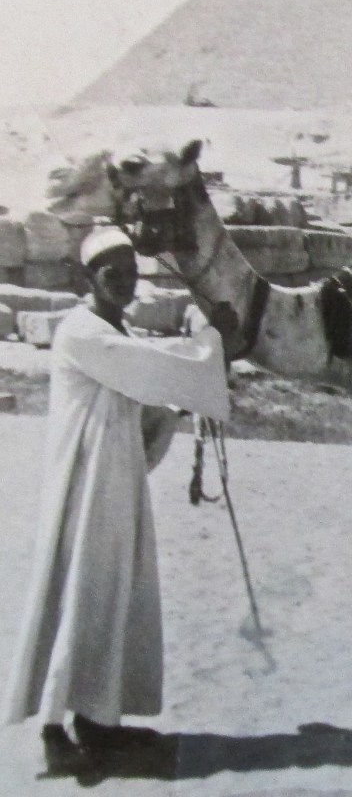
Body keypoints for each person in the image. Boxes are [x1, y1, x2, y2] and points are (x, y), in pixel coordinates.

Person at [2, 228, 231, 775]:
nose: (125, 281)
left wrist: (174, 407)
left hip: (114, 483)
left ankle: (98, 720)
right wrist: (210, 344)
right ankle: (58, 728)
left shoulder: (114, 328)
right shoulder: (84, 332)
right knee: (83, 591)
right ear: (89, 278)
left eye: (131, 271)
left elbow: (145, 400)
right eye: (113, 272)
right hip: (86, 490)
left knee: (112, 595)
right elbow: (150, 368)